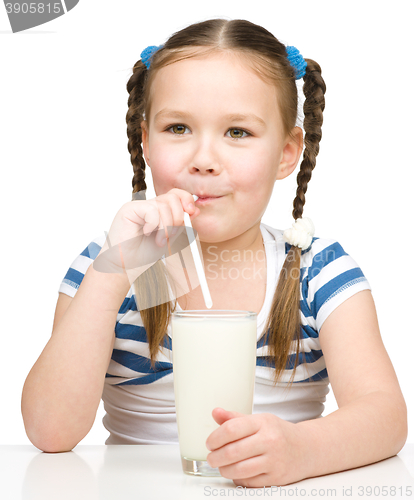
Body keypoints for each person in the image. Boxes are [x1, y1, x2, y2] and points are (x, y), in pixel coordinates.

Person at [21, 18, 407, 487]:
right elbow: (50, 432)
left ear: (287, 152)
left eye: (238, 132)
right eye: (178, 127)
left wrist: (302, 450)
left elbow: (386, 416)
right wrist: (112, 274)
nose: (203, 158)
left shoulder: (315, 272)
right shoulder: (109, 264)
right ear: (145, 141)